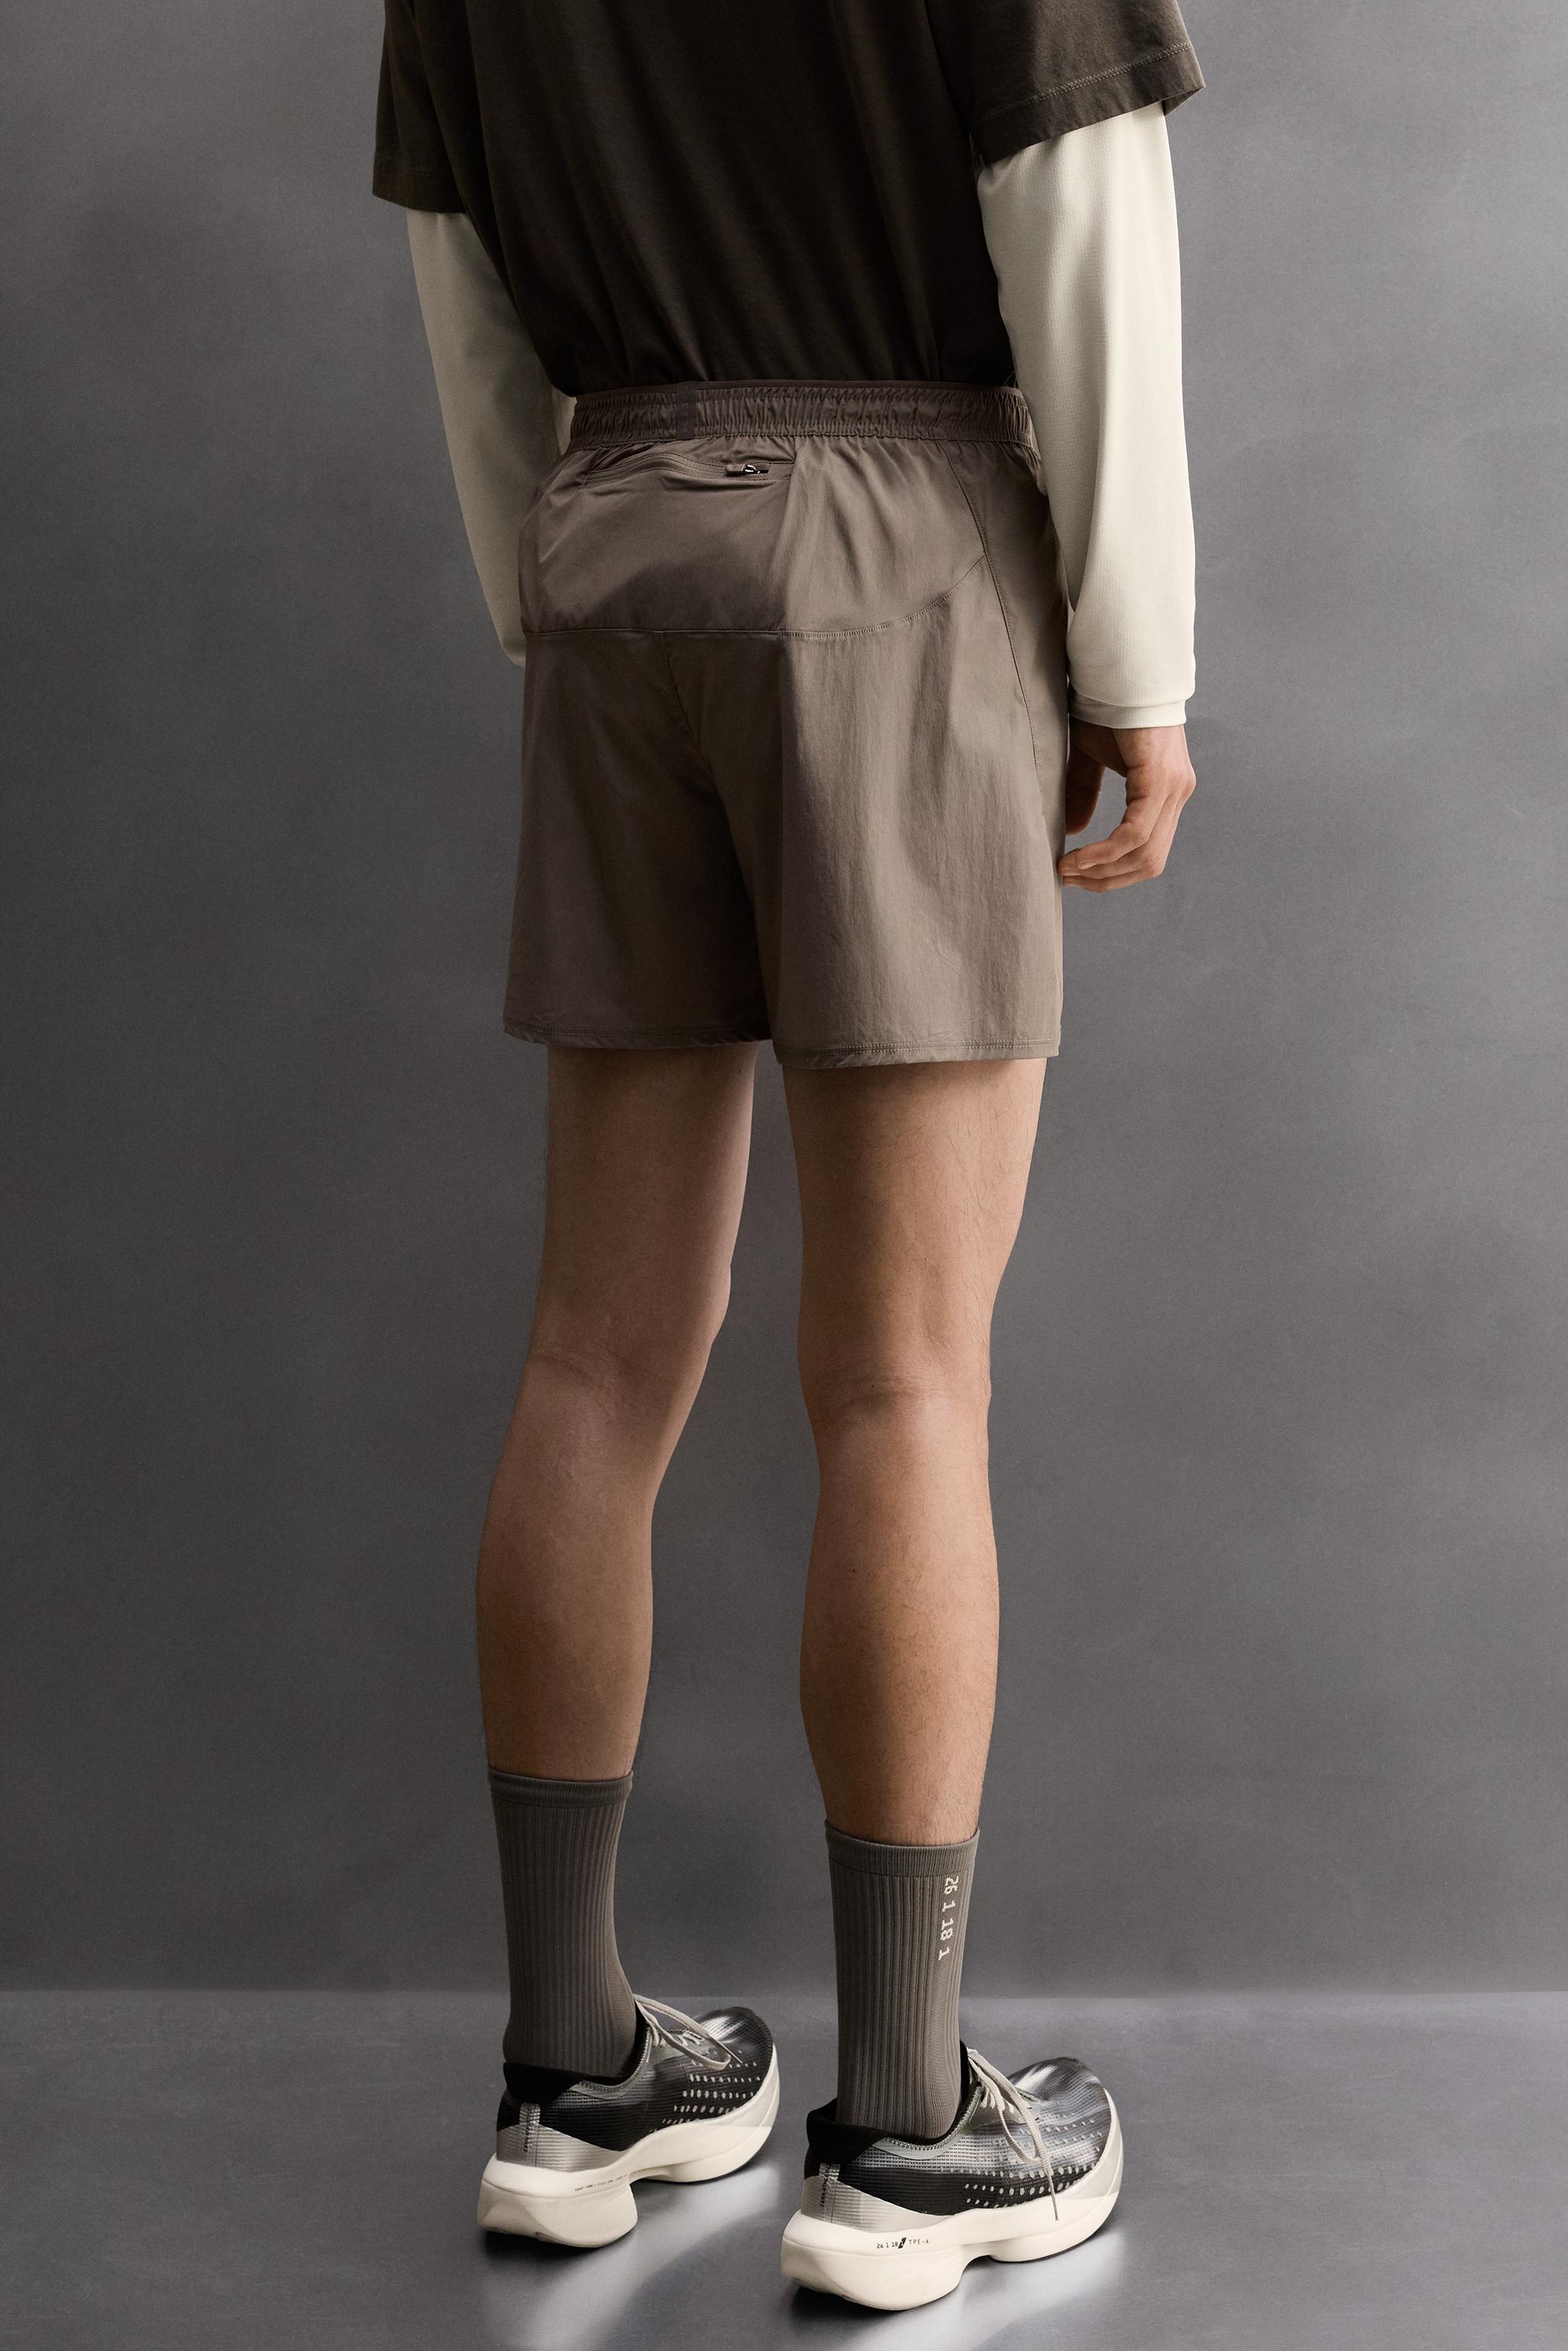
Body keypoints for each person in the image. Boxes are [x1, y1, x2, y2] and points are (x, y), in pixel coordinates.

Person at [373, 0, 1201, 2313]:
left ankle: (573, 2079)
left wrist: (554, 588)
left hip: (615, 540)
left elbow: (460, 269)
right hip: (902, 551)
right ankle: (912, 2138)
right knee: (904, 1376)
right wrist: (1136, 663)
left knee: (593, 1355)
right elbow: (1080, 232)